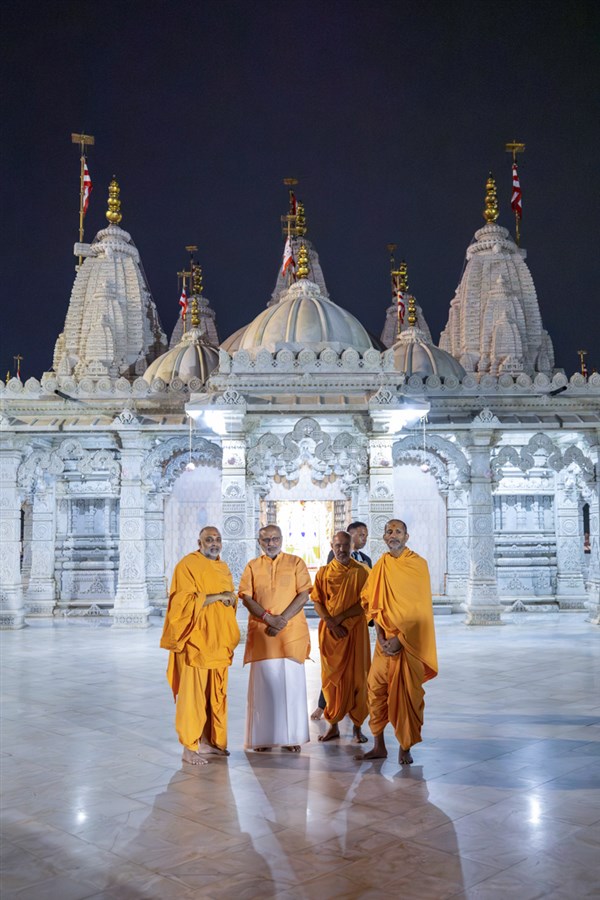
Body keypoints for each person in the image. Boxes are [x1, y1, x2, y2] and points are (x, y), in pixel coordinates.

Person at [355, 519, 438, 765]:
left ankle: (405, 746)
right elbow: (374, 604)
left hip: (409, 644)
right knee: (376, 691)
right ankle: (379, 745)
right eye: (389, 531)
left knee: (408, 695)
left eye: (398, 531)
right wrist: (380, 637)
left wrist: (400, 640)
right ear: (384, 537)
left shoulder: (418, 565)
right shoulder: (381, 565)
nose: (393, 535)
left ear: (407, 536)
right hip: (384, 643)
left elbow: (420, 611)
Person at [160, 526, 240, 766]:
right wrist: (218, 596)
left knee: (214, 694)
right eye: (209, 540)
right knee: (192, 698)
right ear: (199, 542)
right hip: (195, 642)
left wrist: (229, 599)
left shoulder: (222, 567)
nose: (214, 543)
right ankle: (188, 747)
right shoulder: (187, 565)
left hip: (219, 641)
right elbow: (181, 603)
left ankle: (208, 741)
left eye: (217, 540)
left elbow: (229, 597)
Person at [239, 524, 312, 752]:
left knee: (291, 688)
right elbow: (246, 597)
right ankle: (263, 739)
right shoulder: (252, 566)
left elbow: (304, 593)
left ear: (282, 539)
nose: (271, 543)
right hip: (263, 635)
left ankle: (291, 738)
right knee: (264, 689)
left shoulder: (296, 562)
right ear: (259, 542)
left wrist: (282, 620)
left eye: (275, 538)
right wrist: (267, 618)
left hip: (290, 635)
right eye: (266, 540)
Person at [311, 531, 371, 743]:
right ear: (331, 545)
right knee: (331, 680)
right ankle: (333, 726)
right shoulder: (324, 573)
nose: (342, 550)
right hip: (331, 634)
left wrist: (340, 618)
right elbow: (316, 600)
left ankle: (357, 728)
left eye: (346, 545)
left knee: (359, 680)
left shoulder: (362, 572)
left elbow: (367, 604)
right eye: (337, 545)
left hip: (355, 633)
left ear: (352, 546)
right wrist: (329, 621)